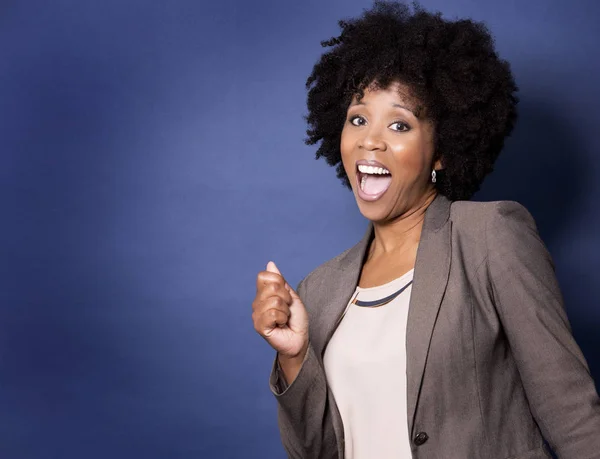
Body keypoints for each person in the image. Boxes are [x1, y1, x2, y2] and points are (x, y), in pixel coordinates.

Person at [251, 2, 600, 458]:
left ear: (442, 153)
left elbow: (571, 412)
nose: (369, 140)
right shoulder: (319, 290)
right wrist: (294, 355)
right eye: (358, 118)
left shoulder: (489, 236)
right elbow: (317, 452)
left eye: (400, 124)